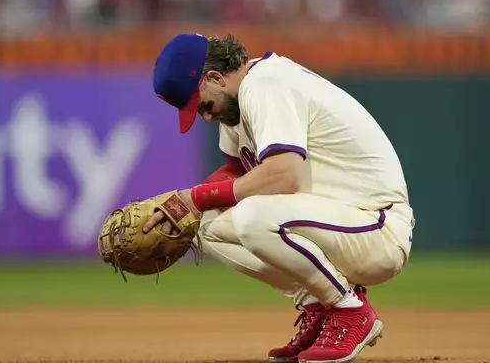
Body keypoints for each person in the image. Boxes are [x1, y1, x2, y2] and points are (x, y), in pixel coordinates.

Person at [145, 33, 415, 363]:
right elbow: (237, 175)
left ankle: (349, 309)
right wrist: (179, 203)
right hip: (336, 221)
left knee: (251, 217)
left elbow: (284, 175)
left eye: (202, 105)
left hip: (376, 228)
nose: (205, 116)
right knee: (203, 222)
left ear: (215, 78)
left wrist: (194, 197)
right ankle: (319, 302)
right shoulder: (237, 102)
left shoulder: (266, 85)